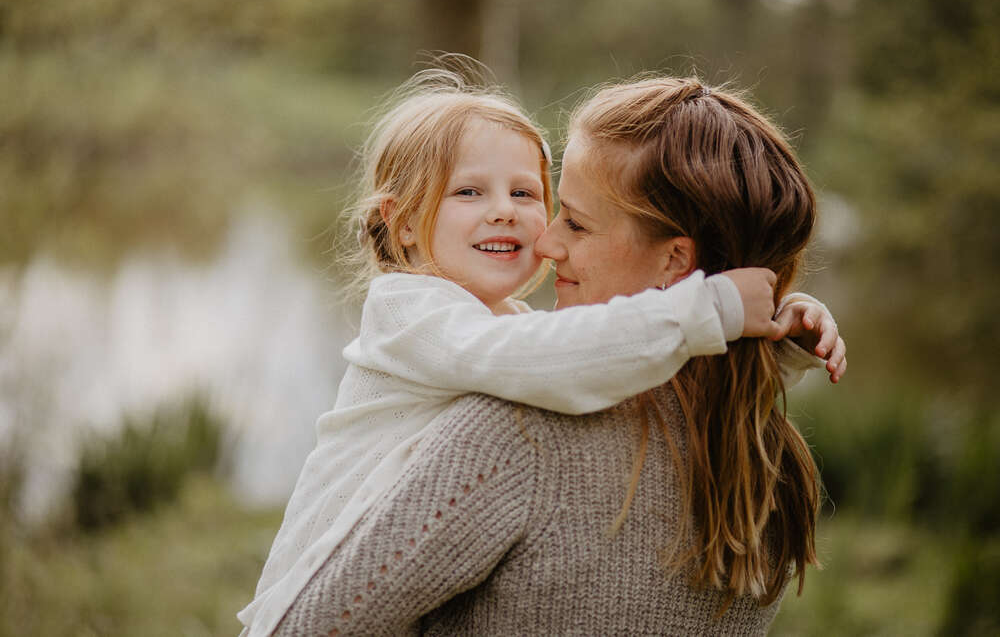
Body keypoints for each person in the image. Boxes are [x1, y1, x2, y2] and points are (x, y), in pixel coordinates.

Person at [245, 69, 843, 636]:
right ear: (400, 223)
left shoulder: (518, 415)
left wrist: (771, 338)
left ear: (676, 263)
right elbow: (568, 359)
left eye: (558, 211)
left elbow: (583, 357)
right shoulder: (409, 310)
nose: (541, 236)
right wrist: (714, 315)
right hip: (297, 591)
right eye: (470, 191)